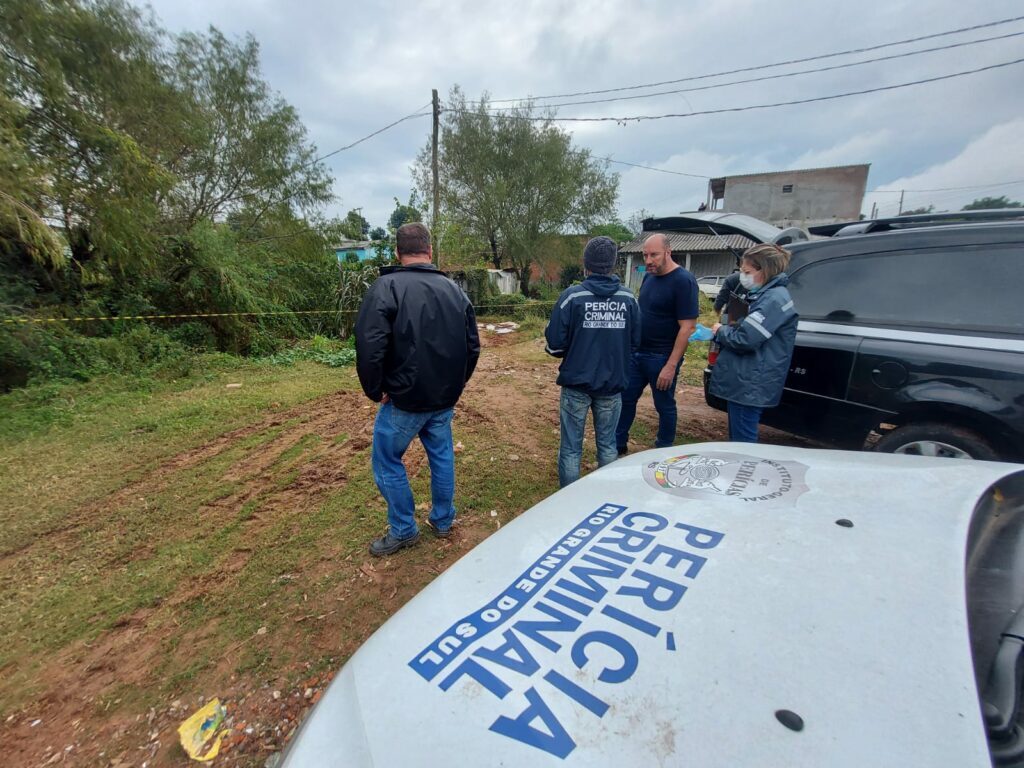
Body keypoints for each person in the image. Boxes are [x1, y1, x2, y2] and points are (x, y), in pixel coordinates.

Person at [354, 222, 480, 556]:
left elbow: (370, 346)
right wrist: (457, 383)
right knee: (442, 457)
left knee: (386, 460)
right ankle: (442, 521)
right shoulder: (455, 290)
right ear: (429, 251)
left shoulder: (386, 287)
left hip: (404, 402)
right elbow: (472, 347)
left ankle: (404, 529)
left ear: (398, 252)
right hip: (442, 399)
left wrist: (375, 389)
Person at [545, 236, 640, 487]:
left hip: (577, 384)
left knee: (571, 449)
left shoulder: (572, 297)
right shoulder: (628, 299)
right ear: (613, 265)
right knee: (608, 446)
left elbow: (554, 344)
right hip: (612, 385)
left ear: (585, 264)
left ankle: (570, 502)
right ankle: (603, 500)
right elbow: (635, 342)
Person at [615, 233, 699, 454]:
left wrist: (671, 365)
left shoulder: (684, 281)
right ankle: (617, 446)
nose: (649, 260)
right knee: (625, 399)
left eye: (654, 255)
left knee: (664, 405)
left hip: (662, 357)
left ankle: (664, 450)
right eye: (645, 255)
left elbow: (687, 327)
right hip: (637, 353)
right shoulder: (649, 277)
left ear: (668, 252)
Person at [709, 243, 798, 443]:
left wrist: (720, 331)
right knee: (739, 433)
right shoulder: (766, 295)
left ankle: (742, 472)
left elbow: (746, 338)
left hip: (750, 382)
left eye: (746, 271)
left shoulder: (773, 300)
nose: (742, 276)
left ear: (763, 270)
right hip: (746, 378)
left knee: (743, 440)